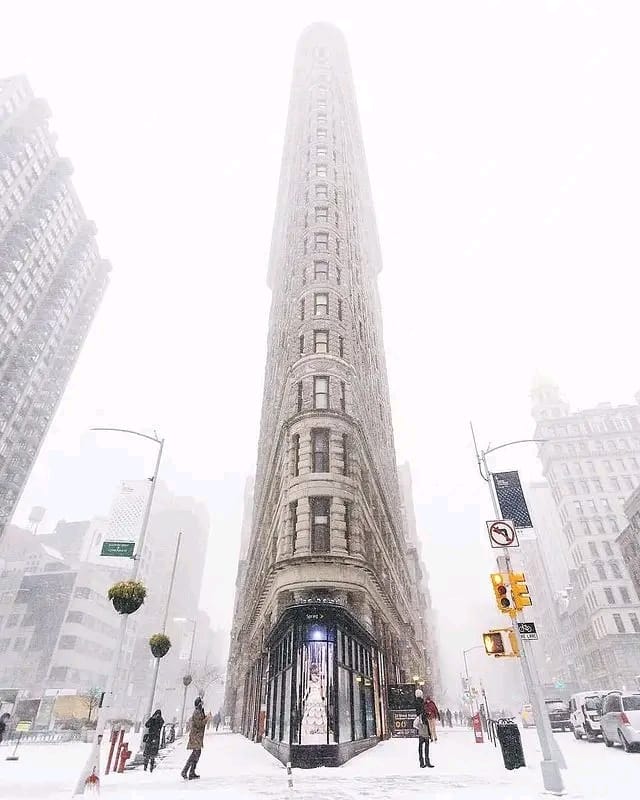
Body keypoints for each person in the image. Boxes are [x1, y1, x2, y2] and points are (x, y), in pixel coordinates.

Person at [181, 697, 209, 780]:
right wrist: (206, 719)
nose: (202, 704)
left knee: (196, 754)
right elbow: (199, 724)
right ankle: (185, 771)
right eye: (201, 703)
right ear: (199, 703)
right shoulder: (197, 712)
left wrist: (205, 716)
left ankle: (191, 772)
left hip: (198, 736)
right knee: (195, 754)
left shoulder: (199, 711)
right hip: (195, 736)